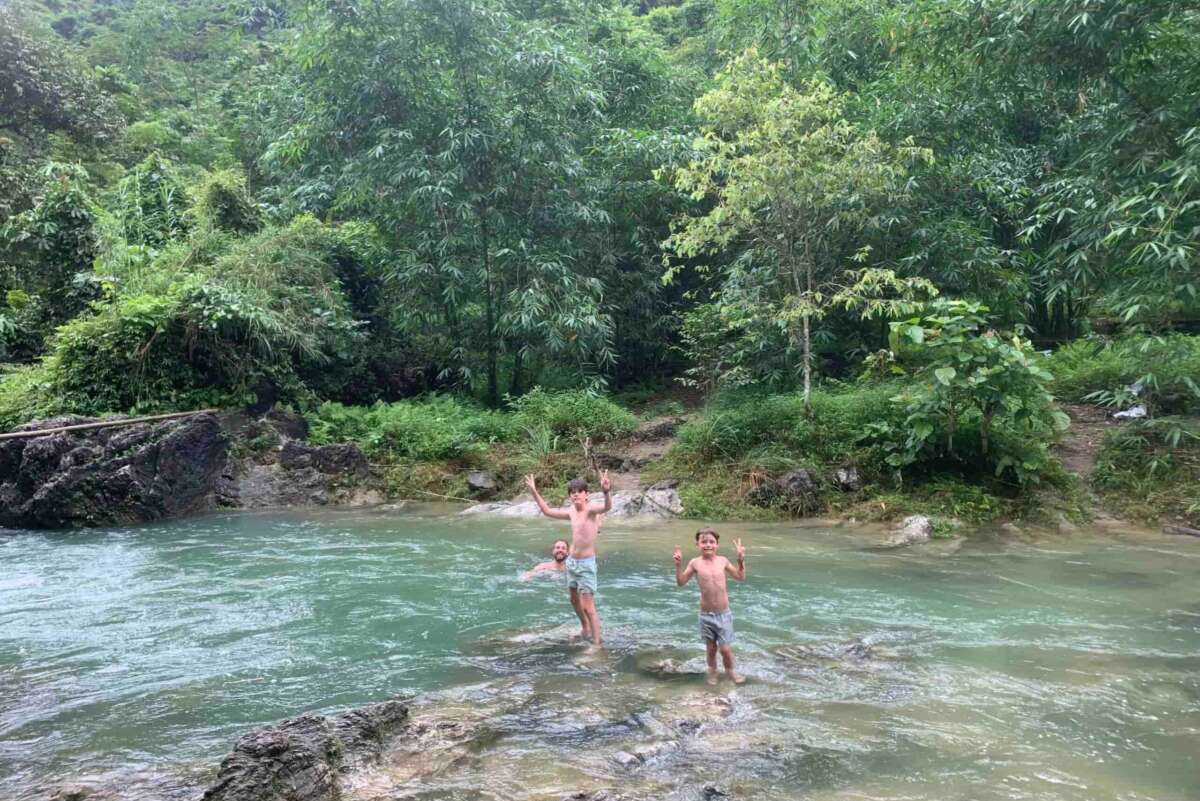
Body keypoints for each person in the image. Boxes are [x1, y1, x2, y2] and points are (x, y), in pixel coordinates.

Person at [525, 471, 612, 647]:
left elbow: (607, 507)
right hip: (571, 563)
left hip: (586, 565)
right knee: (573, 600)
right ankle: (585, 628)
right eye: (572, 493)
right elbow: (547, 511)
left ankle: (597, 644)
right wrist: (534, 491)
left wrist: (606, 492)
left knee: (588, 607)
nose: (575, 495)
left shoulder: (591, 510)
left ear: (586, 494)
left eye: (579, 492)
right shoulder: (571, 512)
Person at [674, 528, 746, 684]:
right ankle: (712, 672)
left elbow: (740, 577)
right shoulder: (695, 563)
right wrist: (678, 565)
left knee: (726, 649)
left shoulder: (723, 561)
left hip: (724, 613)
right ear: (698, 544)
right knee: (711, 649)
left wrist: (740, 561)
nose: (708, 545)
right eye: (704, 541)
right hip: (706, 615)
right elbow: (680, 583)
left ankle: (730, 672)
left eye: (712, 542)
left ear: (717, 545)